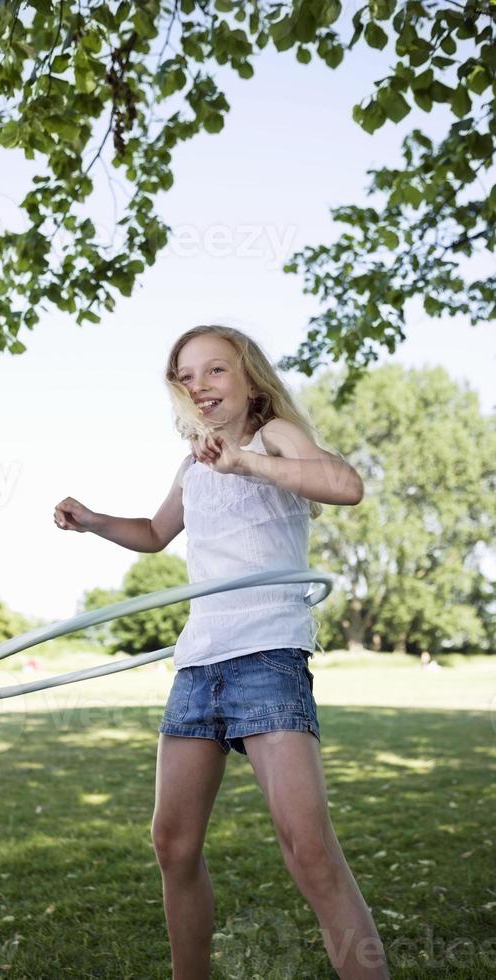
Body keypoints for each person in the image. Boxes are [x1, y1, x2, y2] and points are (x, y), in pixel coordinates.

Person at [53, 324, 389, 979]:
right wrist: (94, 521)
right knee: (171, 845)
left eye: (213, 371)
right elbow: (154, 532)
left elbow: (345, 486)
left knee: (308, 851)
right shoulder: (191, 463)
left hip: (266, 655)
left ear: (246, 376)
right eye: (185, 375)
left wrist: (245, 462)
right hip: (198, 663)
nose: (198, 386)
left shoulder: (273, 437)